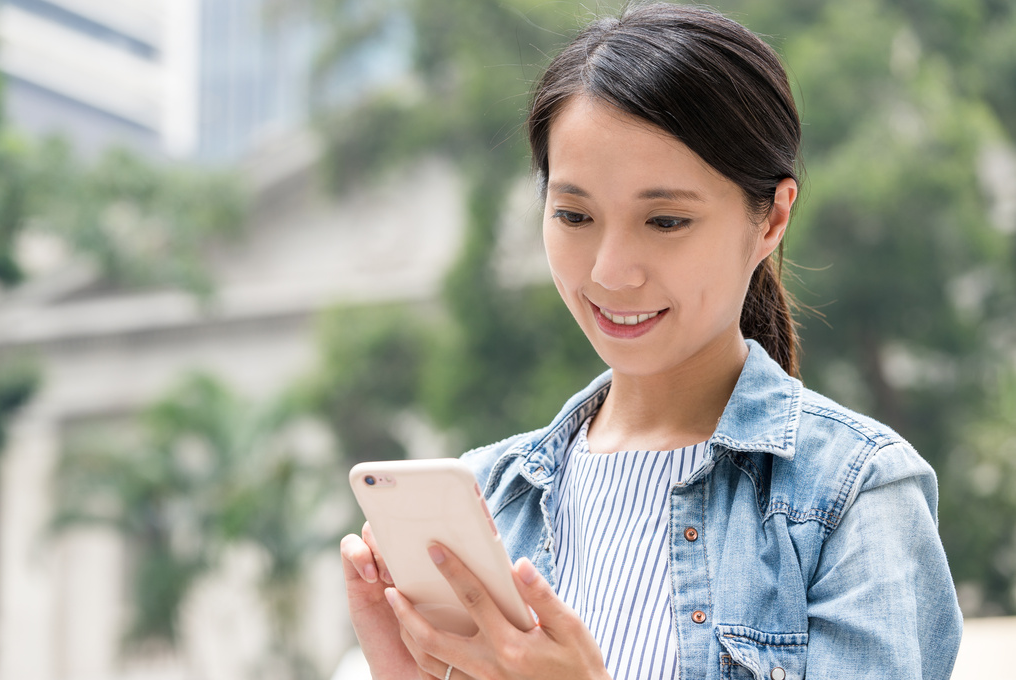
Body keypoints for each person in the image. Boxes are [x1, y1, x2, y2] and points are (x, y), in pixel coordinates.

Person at [340, 4, 964, 679]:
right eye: (574, 214)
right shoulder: (491, 497)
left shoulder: (851, 495)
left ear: (772, 218)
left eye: (665, 220)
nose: (610, 271)